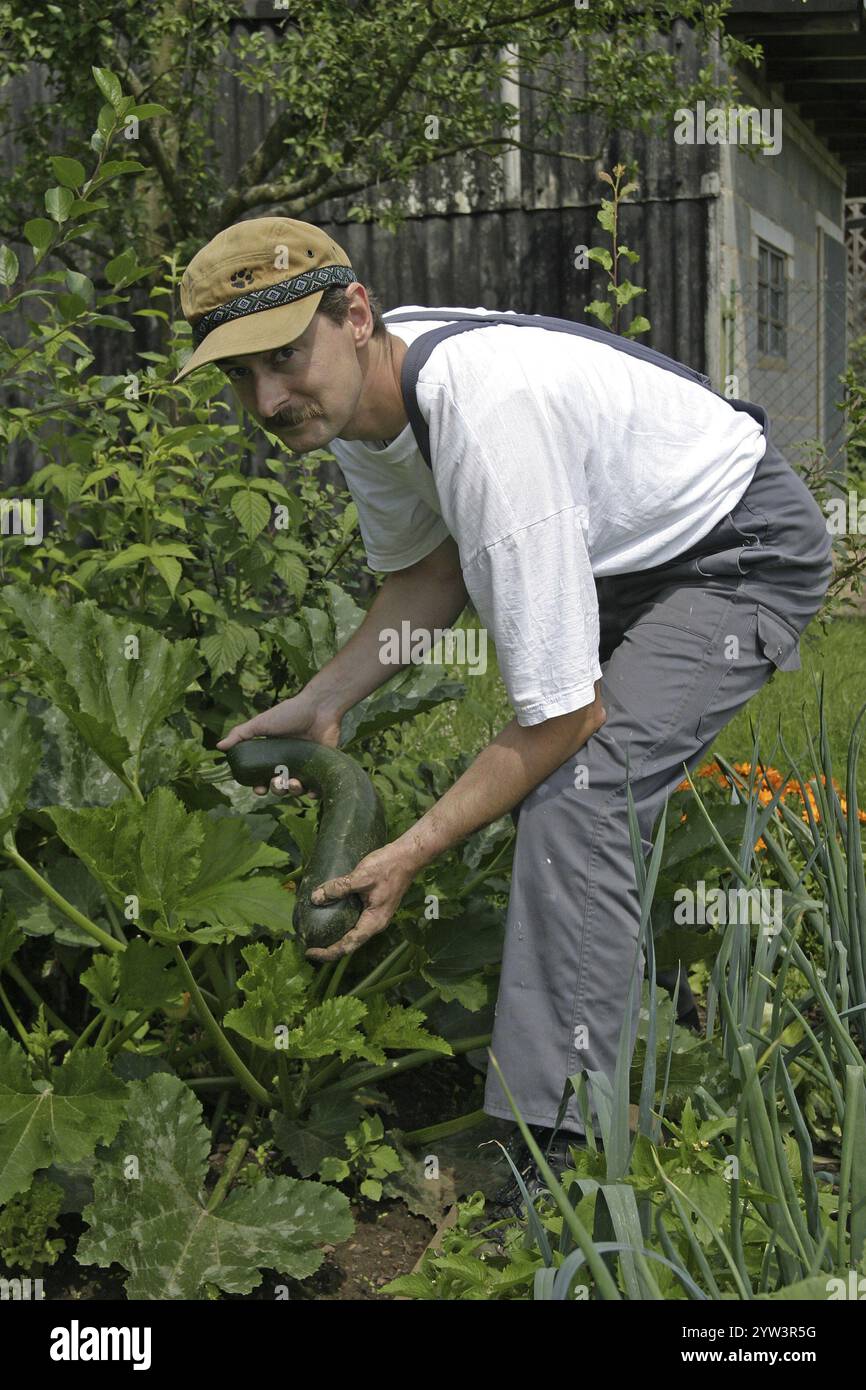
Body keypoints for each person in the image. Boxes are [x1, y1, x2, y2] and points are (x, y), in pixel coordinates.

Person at [175, 215, 833, 1198]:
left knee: (580, 791)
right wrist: (324, 698)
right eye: (240, 376)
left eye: (283, 357)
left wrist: (409, 850)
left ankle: (562, 1162)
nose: (267, 399)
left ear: (354, 313)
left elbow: (560, 720)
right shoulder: (362, 410)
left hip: (735, 557)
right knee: (582, 799)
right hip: (630, 556)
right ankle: (642, 1041)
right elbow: (427, 574)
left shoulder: (482, 412)